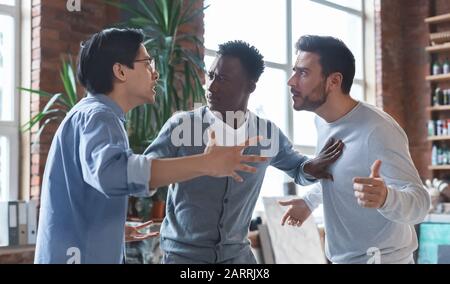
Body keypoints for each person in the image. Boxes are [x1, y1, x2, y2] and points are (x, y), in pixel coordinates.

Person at [34, 29, 267, 264]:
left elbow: (88, 186)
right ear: (120, 71)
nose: (155, 74)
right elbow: (112, 174)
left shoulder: (91, 114)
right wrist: (205, 163)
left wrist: (110, 230)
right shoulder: (99, 116)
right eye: (147, 63)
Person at [144, 40, 344, 264]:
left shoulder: (266, 133)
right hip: (182, 259)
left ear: (250, 86)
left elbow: (298, 169)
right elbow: (143, 177)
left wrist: (312, 167)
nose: (211, 86)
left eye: (222, 79)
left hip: (238, 259)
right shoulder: (181, 126)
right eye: (211, 76)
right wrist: (199, 163)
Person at [280, 35, 430, 264]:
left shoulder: (378, 129)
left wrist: (386, 198)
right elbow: (342, 174)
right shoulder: (322, 122)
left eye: (303, 73)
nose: (291, 81)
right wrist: (309, 202)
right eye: (294, 71)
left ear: (334, 81)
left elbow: (420, 204)